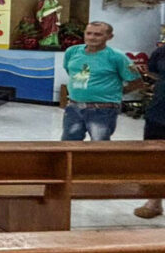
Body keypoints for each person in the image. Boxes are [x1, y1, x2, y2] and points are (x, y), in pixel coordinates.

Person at [61, 22, 143, 141]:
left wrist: (114, 93)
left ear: (109, 37)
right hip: (74, 107)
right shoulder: (72, 52)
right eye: (88, 33)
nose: (92, 37)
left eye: (98, 34)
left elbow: (137, 82)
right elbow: (70, 72)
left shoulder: (117, 57)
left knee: (99, 147)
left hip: (103, 110)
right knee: (68, 145)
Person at [135, 42, 165, 219]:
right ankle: (154, 201)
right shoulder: (161, 52)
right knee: (154, 159)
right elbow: (152, 73)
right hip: (159, 112)